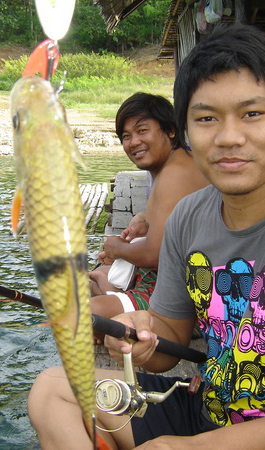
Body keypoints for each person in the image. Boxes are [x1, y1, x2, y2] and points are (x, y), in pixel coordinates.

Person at [28, 23, 265, 449]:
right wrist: (141, 333)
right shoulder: (189, 216)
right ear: (186, 131)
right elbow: (170, 335)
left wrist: (195, 447)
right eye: (206, 119)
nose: (228, 137)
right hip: (211, 412)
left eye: (252, 114)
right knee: (53, 391)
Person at [89, 93, 209, 319]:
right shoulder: (179, 164)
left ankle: (110, 290)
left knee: (84, 313)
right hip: (175, 280)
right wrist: (145, 222)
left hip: (187, 298)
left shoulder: (174, 174)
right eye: (126, 136)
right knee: (92, 282)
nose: (133, 142)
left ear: (170, 131)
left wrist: (116, 248)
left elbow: (154, 255)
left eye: (142, 131)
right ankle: (107, 286)